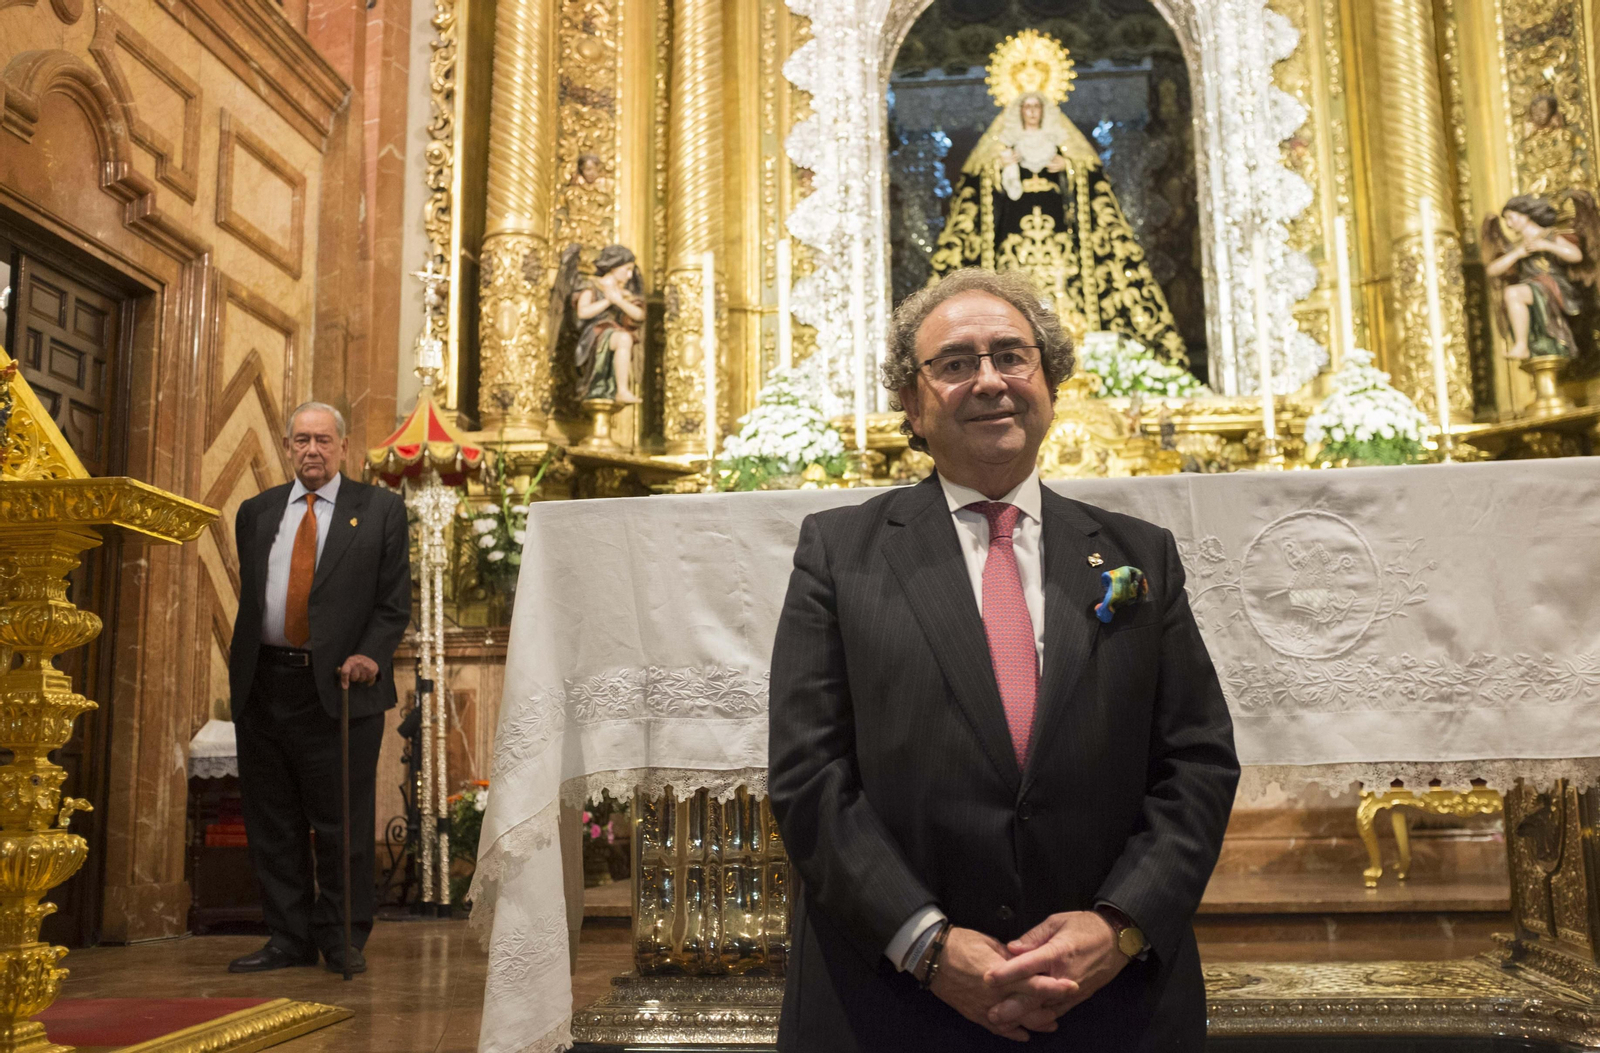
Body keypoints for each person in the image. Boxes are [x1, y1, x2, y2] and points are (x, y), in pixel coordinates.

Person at [768, 268, 1238, 1050]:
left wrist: (1119, 925)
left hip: (1112, 1004)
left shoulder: (1135, 554)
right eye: (955, 364)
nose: (989, 380)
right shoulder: (839, 552)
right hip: (888, 1004)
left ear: (1048, 382)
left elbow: (1198, 760)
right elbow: (808, 773)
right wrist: (925, 944)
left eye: (1011, 356)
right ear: (912, 405)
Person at [226, 402, 412, 974]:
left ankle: (341, 939)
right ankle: (287, 938)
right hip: (265, 685)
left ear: (343, 446)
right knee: (273, 821)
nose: (312, 450)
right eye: (302, 440)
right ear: (287, 448)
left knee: (341, 825)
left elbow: (391, 605)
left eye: (323, 440)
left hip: (341, 690)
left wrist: (369, 656)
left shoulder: (380, 510)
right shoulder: (255, 512)